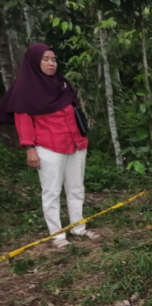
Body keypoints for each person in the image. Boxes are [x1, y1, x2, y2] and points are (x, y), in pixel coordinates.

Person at [0, 43, 100, 249]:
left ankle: (78, 227)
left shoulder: (61, 83)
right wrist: (29, 148)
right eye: (45, 59)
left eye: (53, 59)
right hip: (48, 147)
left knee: (76, 188)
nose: (51, 63)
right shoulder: (25, 89)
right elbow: (23, 120)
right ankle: (57, 235)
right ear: (35, 62)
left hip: (75, 143)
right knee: (52, 192)